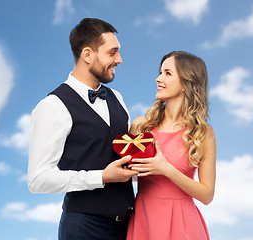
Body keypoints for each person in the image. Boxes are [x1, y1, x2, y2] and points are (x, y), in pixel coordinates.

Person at [28, 18, 138, 240]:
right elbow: (37, 180)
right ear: (88, 55)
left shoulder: (117, 98)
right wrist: (102, 177)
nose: (119, 60)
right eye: (112, 52)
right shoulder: (53, 106)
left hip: (129, 226)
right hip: (84, 228)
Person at [126, 51, 216, 240]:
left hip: (184, 225)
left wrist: (166, 169)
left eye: (167, 73)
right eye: (160, 72)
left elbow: (207, 195)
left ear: (186, 83)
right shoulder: (140, 126)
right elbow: (129, 175)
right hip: (144, 220)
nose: (158, 78)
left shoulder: (203, 133)